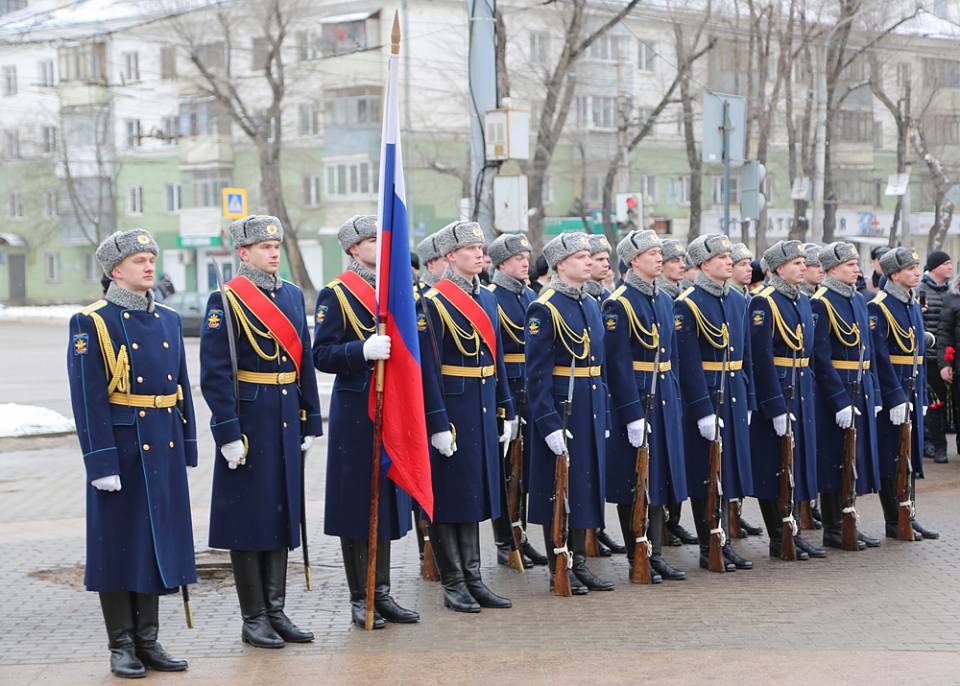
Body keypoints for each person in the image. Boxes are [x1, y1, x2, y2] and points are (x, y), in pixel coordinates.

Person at [68, 229, 197, 678]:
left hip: (162, 442)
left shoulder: (166, 317)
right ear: (115, 270)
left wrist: (189, 443)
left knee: (155, 546)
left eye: (151, 258)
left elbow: (180, 386)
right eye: (139, 259)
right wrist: (100, 461)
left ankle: (149, 639)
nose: (149, 266)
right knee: (120, 548)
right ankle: (121, 644)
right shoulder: (93, 322)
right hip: (123, 450)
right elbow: (87, 399)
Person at [200, 215, 323, 648]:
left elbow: (303, 360)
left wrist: (311, 416)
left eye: (277, 245)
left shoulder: (290, 294)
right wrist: (227, 430)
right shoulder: (227, 299)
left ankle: (276, 609)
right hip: (249, 421)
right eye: (264, 247)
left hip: (286, 415)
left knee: (280, 514)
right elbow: (215, 374)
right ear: (243, 253)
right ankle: (253, 617)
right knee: (247, 520)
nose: (274, 252)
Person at [312, 215, 420, 629]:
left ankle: (383, 592)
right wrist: (361, 350)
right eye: (373, 239)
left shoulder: (396, 289)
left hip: (392, 406)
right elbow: (322, 355)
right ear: (354, 248)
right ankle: (361, 595)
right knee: (358, 503)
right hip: (357, 410)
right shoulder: (336, 294)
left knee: (386, 500)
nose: (381, 244)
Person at [419, 221, 517, 612]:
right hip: (454, 410)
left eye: (481, 248)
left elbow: (498, 360)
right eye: (471, 248)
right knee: (449, 499)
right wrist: (437, 422)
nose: (480, 254)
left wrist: (506, 407)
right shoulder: (431, 302)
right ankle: (453, 582)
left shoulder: (488, 299)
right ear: (448, 257)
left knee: (475, 496)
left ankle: (474, 577)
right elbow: (428, 369)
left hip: (482, 403)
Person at [525, 232, 614, 594]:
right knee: (558, 488)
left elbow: (600, 367)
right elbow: (537, 374)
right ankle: (557, 562)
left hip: (589, 406)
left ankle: (579, 561)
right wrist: (547, 424)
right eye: (580, 257)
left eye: (589, 256)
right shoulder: (544, 308)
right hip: (563, 408)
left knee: (584, 486)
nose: (589, 261)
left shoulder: (591, 304)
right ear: (561, 264)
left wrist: (604, 414)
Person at [604, 230, 689, 582]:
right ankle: (638, 551)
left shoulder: (666, 300)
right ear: (634, 260)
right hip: (639, 398)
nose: (660, 257)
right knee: (635, 480)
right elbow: (618, 365)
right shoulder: (619, 303)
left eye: (660, 252)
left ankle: (655, 552)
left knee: (659, 478)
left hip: (664, 393)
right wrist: (631, 414)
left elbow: (675, 357)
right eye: (652, 253)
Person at [674, 234, 755, 572]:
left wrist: (749, 398)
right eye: (720, 257)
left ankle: (723, 539)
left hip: (734, 390)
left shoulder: (737, 300)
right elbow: (688, 363)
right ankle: (710, 543)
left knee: (730, 470)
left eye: (729, 256)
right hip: (707, 395)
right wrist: (702, 409)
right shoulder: (687, 303)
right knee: (707, 472)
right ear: (703, 264)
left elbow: (745, 354)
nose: (728, 261)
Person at [748, 240, 825, 561]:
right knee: (775, 465)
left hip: (802, 388)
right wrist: (775, 406)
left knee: (797, 462)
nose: (803, 267)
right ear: (778, 268)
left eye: (804, 262)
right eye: (796, 263)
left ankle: (792, 530)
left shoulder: (802, 300)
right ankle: (779, 535)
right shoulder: (764, 303)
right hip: (779, 390)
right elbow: (761, 359)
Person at [810, 242, 882, 550]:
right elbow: (821, 359)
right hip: (836, 390)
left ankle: (849, 517)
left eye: (856, 263)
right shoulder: (821, 302)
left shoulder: (856, 299)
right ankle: (834, 527)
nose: (856, 268)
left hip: (860, 385)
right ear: (832, 269)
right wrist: (839, 401)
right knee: (834, 459)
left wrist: (875, 392)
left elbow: (868, 353)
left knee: (854, 458)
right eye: (850, 264)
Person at [485, 232, 548, 569]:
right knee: (506, 471)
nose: (525, 262)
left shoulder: (529, 296)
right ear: (501, 263)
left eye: (526, 256)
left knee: (523, 472)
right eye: (517, 258)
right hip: (507, 387)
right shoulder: (493, 297)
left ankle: (520, 536)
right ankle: (504, 540)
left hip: (529, 389)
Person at [870, 247, 939, 541]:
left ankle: (909, 512)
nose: (916, 272)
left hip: (911, 385)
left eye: (916, 267)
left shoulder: (911, 303)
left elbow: (917, 355)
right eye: (910, 269)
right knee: (892, 455)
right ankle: (893, 518)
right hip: (893, 389)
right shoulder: (880, 306)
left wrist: (920, 396)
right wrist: (895, 397)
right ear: (894, 274)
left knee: (909, 455)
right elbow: (880, 357)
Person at [582, 233, 626, 557]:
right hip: (579, 389)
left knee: (598, 465)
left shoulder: (604, 299)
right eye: (598, 259)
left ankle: (596, 529)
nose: (604, 265)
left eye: (605, 259)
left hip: (599, 386)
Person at [655, 239, 700, 547]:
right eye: (672, 260)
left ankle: (674, 519)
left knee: (677, 460)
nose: (679, 264)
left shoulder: (676, 298)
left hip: (673, 385)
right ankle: (663, 525)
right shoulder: (668, 299)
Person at [917, 250, 952, 463]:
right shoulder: (920, 290)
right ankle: (937, 445)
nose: (950, 267)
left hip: (950, 356)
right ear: (934, 267)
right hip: (929, 357)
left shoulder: (952, 292)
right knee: (935, 404)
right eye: (946, 263)